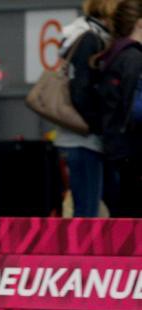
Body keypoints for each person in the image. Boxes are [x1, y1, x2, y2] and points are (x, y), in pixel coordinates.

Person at [55, 0, 119, 217]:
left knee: (87, 210)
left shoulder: (84, 35)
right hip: (84, 139)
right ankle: (79, 251)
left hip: (80, 138)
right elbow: (81, 90)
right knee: (87, 213)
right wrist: (97, 124)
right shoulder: (91, 39)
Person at [97, 0, 142, 217]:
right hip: (132, 152)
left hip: (115, 149)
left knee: (123, 219)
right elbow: (136, 109)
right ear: (140, 24)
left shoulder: (115, 54)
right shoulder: (134, 58)